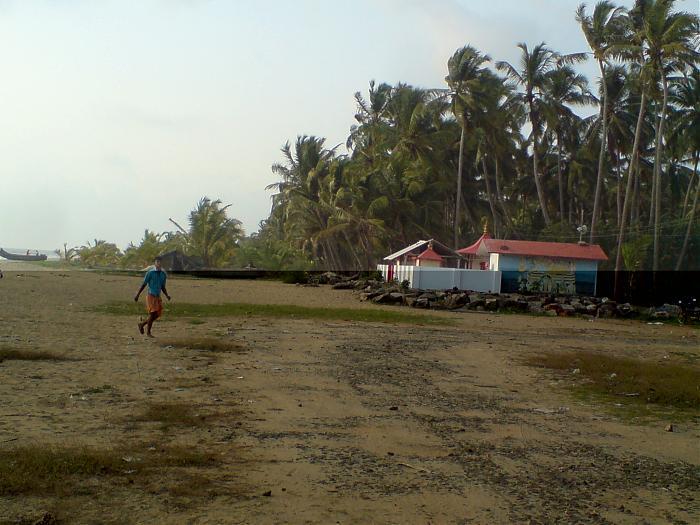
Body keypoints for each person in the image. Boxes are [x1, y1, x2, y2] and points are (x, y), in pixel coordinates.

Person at [134, 256, 171, 337]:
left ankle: (142, 324)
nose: (159, 263)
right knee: (152, 314)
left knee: (157, 314)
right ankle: (148, 332)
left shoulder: (163, 274)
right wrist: (137, 295)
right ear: (155, 263)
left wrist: (167, 295)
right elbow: (144, 284)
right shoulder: (150, 273)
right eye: (157, 261)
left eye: (160, 262)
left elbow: (163, 286)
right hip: (151, 295)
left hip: (157, 296)